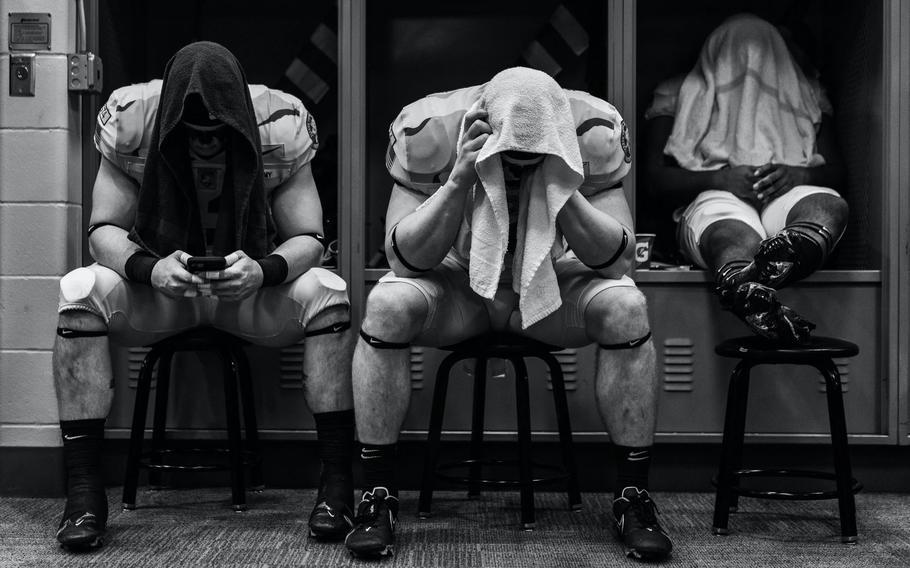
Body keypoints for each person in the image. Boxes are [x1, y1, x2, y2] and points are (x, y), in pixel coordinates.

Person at [344, 67, 673, 561]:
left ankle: (633, 496)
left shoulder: (592, 130)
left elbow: (618, 260)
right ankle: (377, 495)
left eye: (527, 160)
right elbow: (404, 258)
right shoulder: (429, 127)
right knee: (386, 303)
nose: (516, 173)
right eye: (510, 160)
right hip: (461, 282)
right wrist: (458, 178)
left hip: (550, 284)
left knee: (628, 306)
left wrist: (559, 181)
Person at [53, 42, 355, 550]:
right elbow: (102, 230)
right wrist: (151, 269)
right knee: (79, 290)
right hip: (165, 290)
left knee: (329, 291)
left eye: (219, 136)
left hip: (246, 292)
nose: (206, 149)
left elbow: (309, 237)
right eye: (193, 138)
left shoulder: (280, 123)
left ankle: (337, 487)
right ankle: (83, 491)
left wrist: (264, 270)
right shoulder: (135, 118)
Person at [644, 13, 848, 343]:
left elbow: (838, 173)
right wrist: (719, 180)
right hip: (717, 194)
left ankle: (767, 274)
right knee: (729, 232)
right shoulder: (680, 90)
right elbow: (653, 181)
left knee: (828, 206)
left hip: (784, 192)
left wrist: (799, 173)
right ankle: (747, 285)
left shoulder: (806, 91)